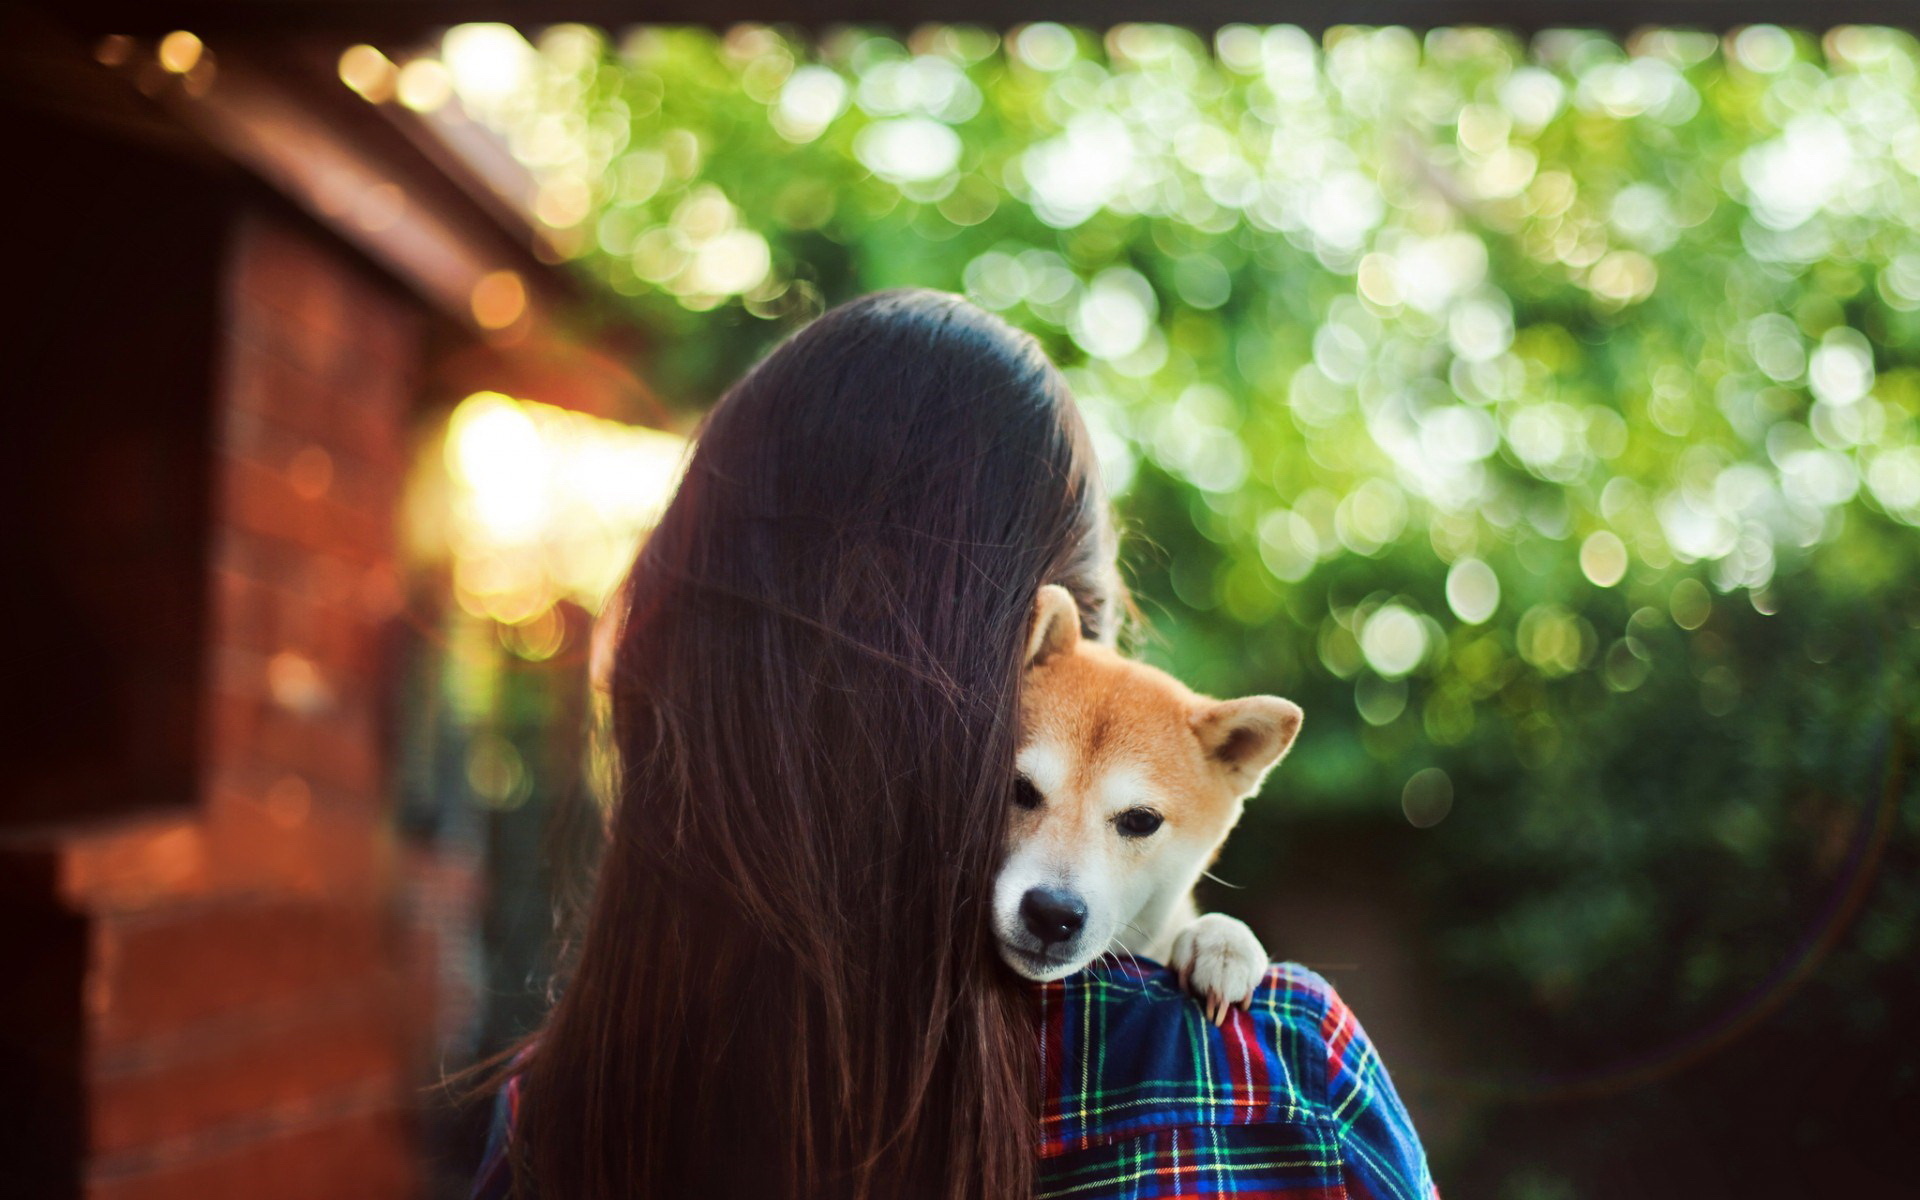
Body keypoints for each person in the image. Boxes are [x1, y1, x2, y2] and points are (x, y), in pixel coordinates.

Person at [467, 289, 1436, 1200]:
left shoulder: (559, 1116)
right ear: (1052, 634)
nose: (1062, 874)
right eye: (1022, 789)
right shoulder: (1271, 1084)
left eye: (1131, 820)